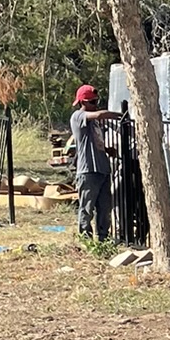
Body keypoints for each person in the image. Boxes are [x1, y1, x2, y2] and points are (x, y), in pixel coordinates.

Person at [70, 85, 113, 241]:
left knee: (104, 208)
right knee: (87, 209)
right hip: (88, 170)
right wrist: (119, 115)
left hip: (102, 169)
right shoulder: (78, 116)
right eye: (92, 102)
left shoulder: (95, 124)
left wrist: (107, 151)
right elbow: (100, 114)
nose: (95, 104)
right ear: (83, 102)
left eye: (96, 101)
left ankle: (103, 239)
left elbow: (97, 142)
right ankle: (86, 240)